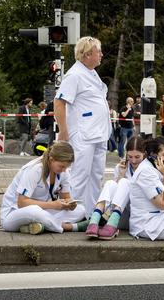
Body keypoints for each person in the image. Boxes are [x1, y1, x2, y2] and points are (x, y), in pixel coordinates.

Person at [54, 36, 111, 215]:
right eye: (98, 51)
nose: (101, 54)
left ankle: (90, 213)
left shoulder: (91, 73)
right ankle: (70, 213)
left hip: (98, 133)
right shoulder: (74, 75)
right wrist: (63, 131)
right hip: (83, 135)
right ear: (87, 54)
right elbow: (59, 102)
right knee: (79, 175)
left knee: (96, 176)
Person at [0, 141, 87, 234]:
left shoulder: (63, 172)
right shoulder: (35, 169)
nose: (64, 170)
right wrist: (53, 205)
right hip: (14, 213)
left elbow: (66, 197)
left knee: (81, 210)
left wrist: (70, 204)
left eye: (66, 167)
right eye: (61, 166)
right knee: (34, 211)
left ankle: (38, 226)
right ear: (51, 159)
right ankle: (70, 227)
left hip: (42, 211)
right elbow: (22, 203)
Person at [86, 136, 145, 239]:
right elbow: (114, 194)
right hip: (118, 216)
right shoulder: (120, 167)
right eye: (130, 157)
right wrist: (121, 175)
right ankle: (94, 222)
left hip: (137, 215)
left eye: (137, 157)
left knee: (125, 182)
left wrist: (124, 180)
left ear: (144, 154)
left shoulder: (149, 169)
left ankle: (105, 222)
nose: (133, 161)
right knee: (110, 183)